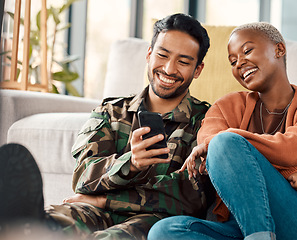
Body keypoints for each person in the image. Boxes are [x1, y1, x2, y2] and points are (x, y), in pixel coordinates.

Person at [0, 13, 213, 240]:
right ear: (149, 54)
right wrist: (130, 164)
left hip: (153, 219)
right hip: (93, 210)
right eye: (162, 55)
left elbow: (191, 197)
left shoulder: (206, 121)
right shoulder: (111, 111)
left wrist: (105, 198)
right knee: (53, 222)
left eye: (183, 62)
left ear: (197, 69)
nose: (169, 69)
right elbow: (83, 177)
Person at [148, 22, 297, 240]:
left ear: (279, 49)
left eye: (247, 51)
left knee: (225, 143)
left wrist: (233, 143)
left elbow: (291, 149)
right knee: (163, 232)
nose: (240, 63)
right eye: (232, 61)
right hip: (240, 226)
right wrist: (289, 171)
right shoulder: (226, 105)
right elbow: (208, 142)